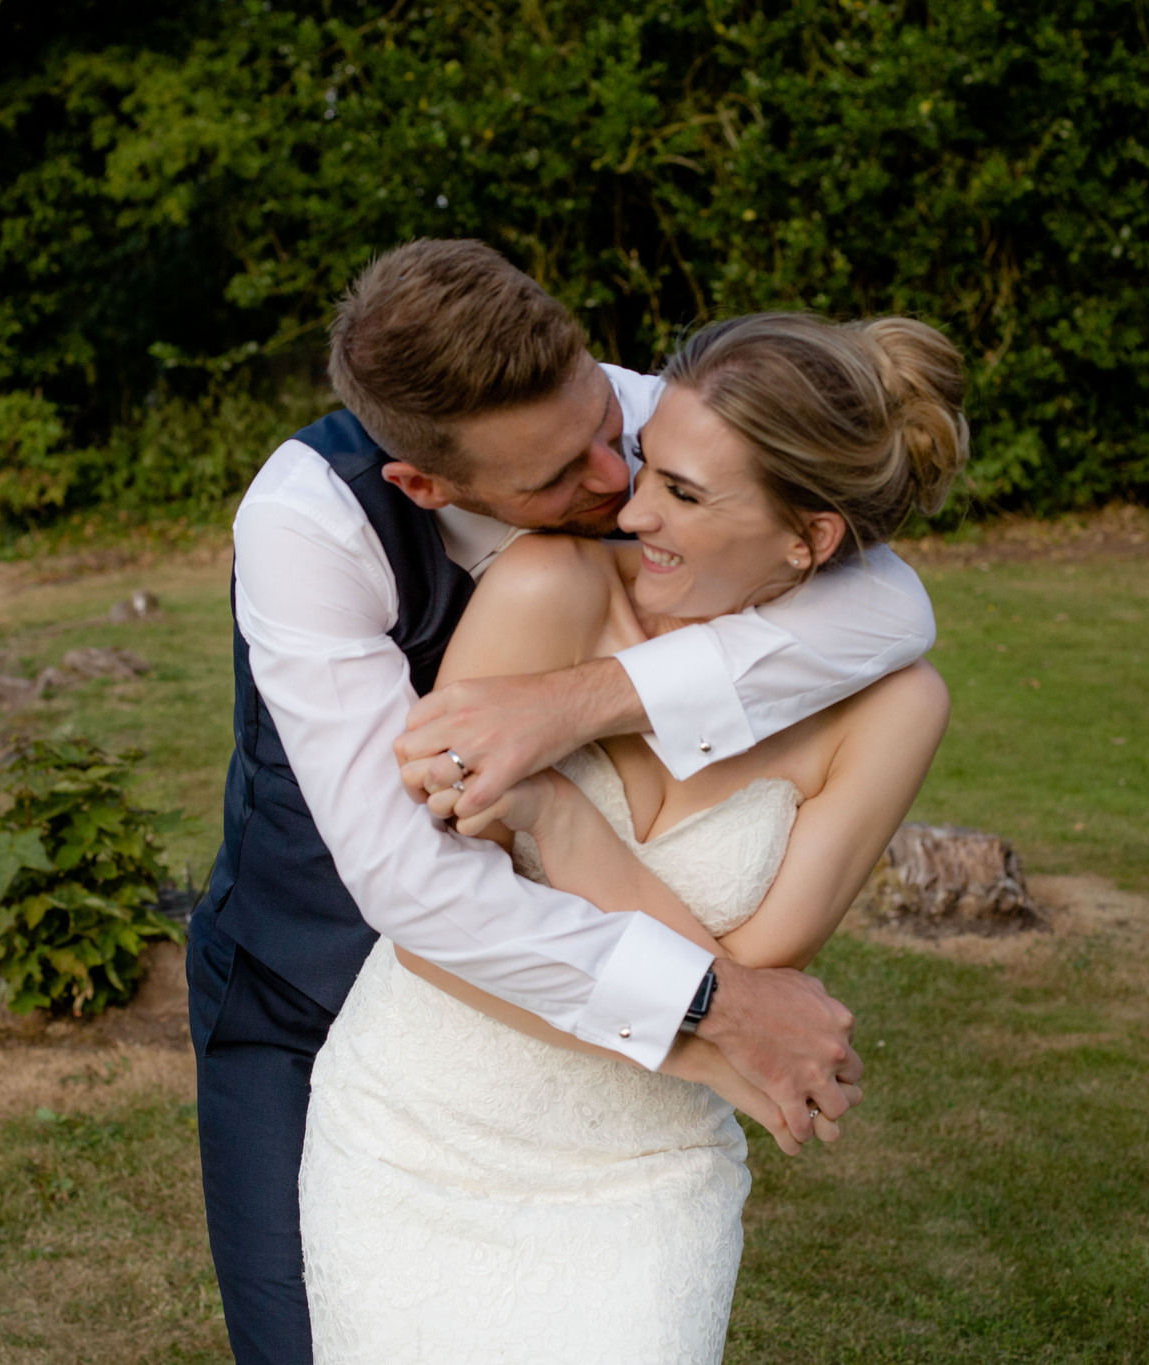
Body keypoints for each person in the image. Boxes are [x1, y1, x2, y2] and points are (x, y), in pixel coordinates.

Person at [189, 240, 942, 1364]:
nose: (611, 484)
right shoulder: (310, 527)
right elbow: (417, 886)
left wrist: (570, 709)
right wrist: (718, 1016)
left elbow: (890, 609)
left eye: (607, 429)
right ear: (425, 486)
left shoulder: (635, 424)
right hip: (319, 994)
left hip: (617, 1127)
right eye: (555, 479)